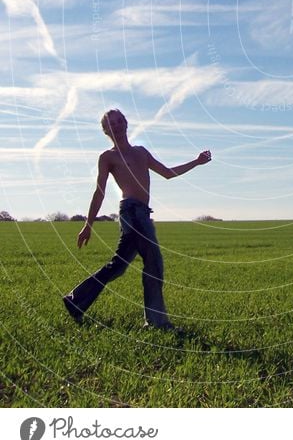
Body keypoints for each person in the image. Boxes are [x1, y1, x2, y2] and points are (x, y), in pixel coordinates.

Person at [62, 109, 211, 329]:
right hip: (131, 212)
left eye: (119, 121)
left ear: (126, 123)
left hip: (142, 212)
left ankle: (75, 301)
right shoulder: (107, 157)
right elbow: (99, 191)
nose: (117, 126)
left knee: (119, 266)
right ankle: (156, 322)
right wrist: (88, 224)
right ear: (106, 130)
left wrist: (196, 162)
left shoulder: (141, 152)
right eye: (111, 124)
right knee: (153, 262)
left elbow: (168, 173)